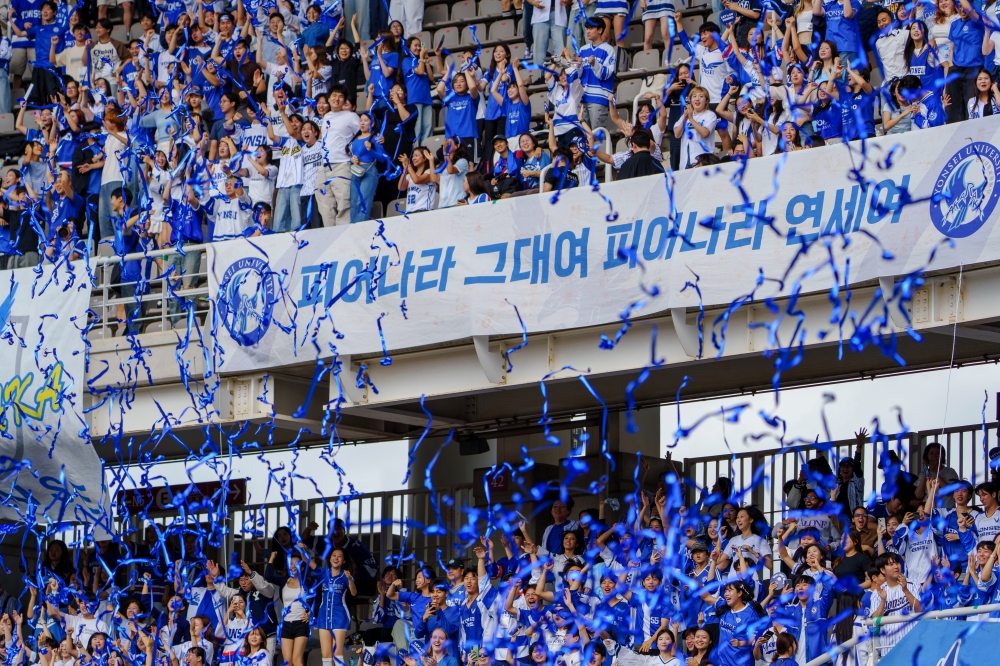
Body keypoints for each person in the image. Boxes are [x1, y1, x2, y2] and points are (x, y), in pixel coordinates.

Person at [315, 85, 360, 227]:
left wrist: (355, 153)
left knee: (344, 204)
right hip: (324, 167)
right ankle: (331, 235)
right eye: (334, 95)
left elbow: (363, 134)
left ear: (345, 101)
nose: (337, 98)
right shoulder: (327, 116)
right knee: (325, 206)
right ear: (328, 99)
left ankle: (343, 237)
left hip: (342, 165)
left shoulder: (351, 116)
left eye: (341, 96)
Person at [869, 553, 921, 651]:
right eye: (891, 564)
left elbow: (920, 609)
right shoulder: (877, 592)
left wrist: (906, 590)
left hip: (912, 644)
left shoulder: (913, 583)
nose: (896, 566)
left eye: (897, 563)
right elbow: (875, 621)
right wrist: (883, 600)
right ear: (882, 570)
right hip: (889, 647)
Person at [578, 17, 616, 133]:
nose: (588, 31)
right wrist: (578, 65)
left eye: (591, 28)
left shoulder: (609, 50)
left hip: (599, 99)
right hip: (582, 98)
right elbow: (578, 76)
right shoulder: (583, 49)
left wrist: (594, 63)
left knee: (597, 137)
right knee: (584, 138)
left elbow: (606, 74)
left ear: (600, 30)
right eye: (587, 28)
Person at [436, 69, 480, 164]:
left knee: (469, 165)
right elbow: (439, 89)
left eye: (462, 81)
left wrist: (466, 71)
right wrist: (448, 72)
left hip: (468, 135)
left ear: (466, 83)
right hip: (451, 137)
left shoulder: (471, 97)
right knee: (451, 164)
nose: (458, 84)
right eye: (455, 82)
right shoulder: (450, 97)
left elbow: (473, 87)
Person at [673, 86, 719, 169]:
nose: (697, 99)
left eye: (701, 96)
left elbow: (705, 133)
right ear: (690, 100)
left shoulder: (710, 115)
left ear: (706, 101)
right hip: (685, 161)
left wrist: (691, 119)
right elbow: (677, 135)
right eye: (694, 96)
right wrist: (685, 119)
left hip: (703, 162)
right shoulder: (685, 115)